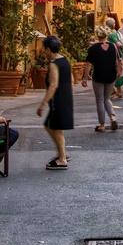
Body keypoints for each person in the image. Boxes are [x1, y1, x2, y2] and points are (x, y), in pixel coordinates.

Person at [35, 35, 74, 168]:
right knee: (50, 126)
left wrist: (42, 104)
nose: (43, 51)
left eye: (44, 48)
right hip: (65, 97)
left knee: (56, 129)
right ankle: (62, 152)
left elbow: (53, 85)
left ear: (48, 49)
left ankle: (62, 158)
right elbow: (72, 80)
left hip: (58, 99)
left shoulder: (54, 64)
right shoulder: (65, 61)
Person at [86, 24, 120, 131]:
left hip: (98, 75)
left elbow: (89, 64)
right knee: (107, 98)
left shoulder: (93, 48)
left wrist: (85, 77)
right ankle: (112, 117)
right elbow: (118, 61)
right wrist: (117, 74)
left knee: (100, 100)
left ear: (97, 34)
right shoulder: (113, 47)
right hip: (111, 75)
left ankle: (102, 125)